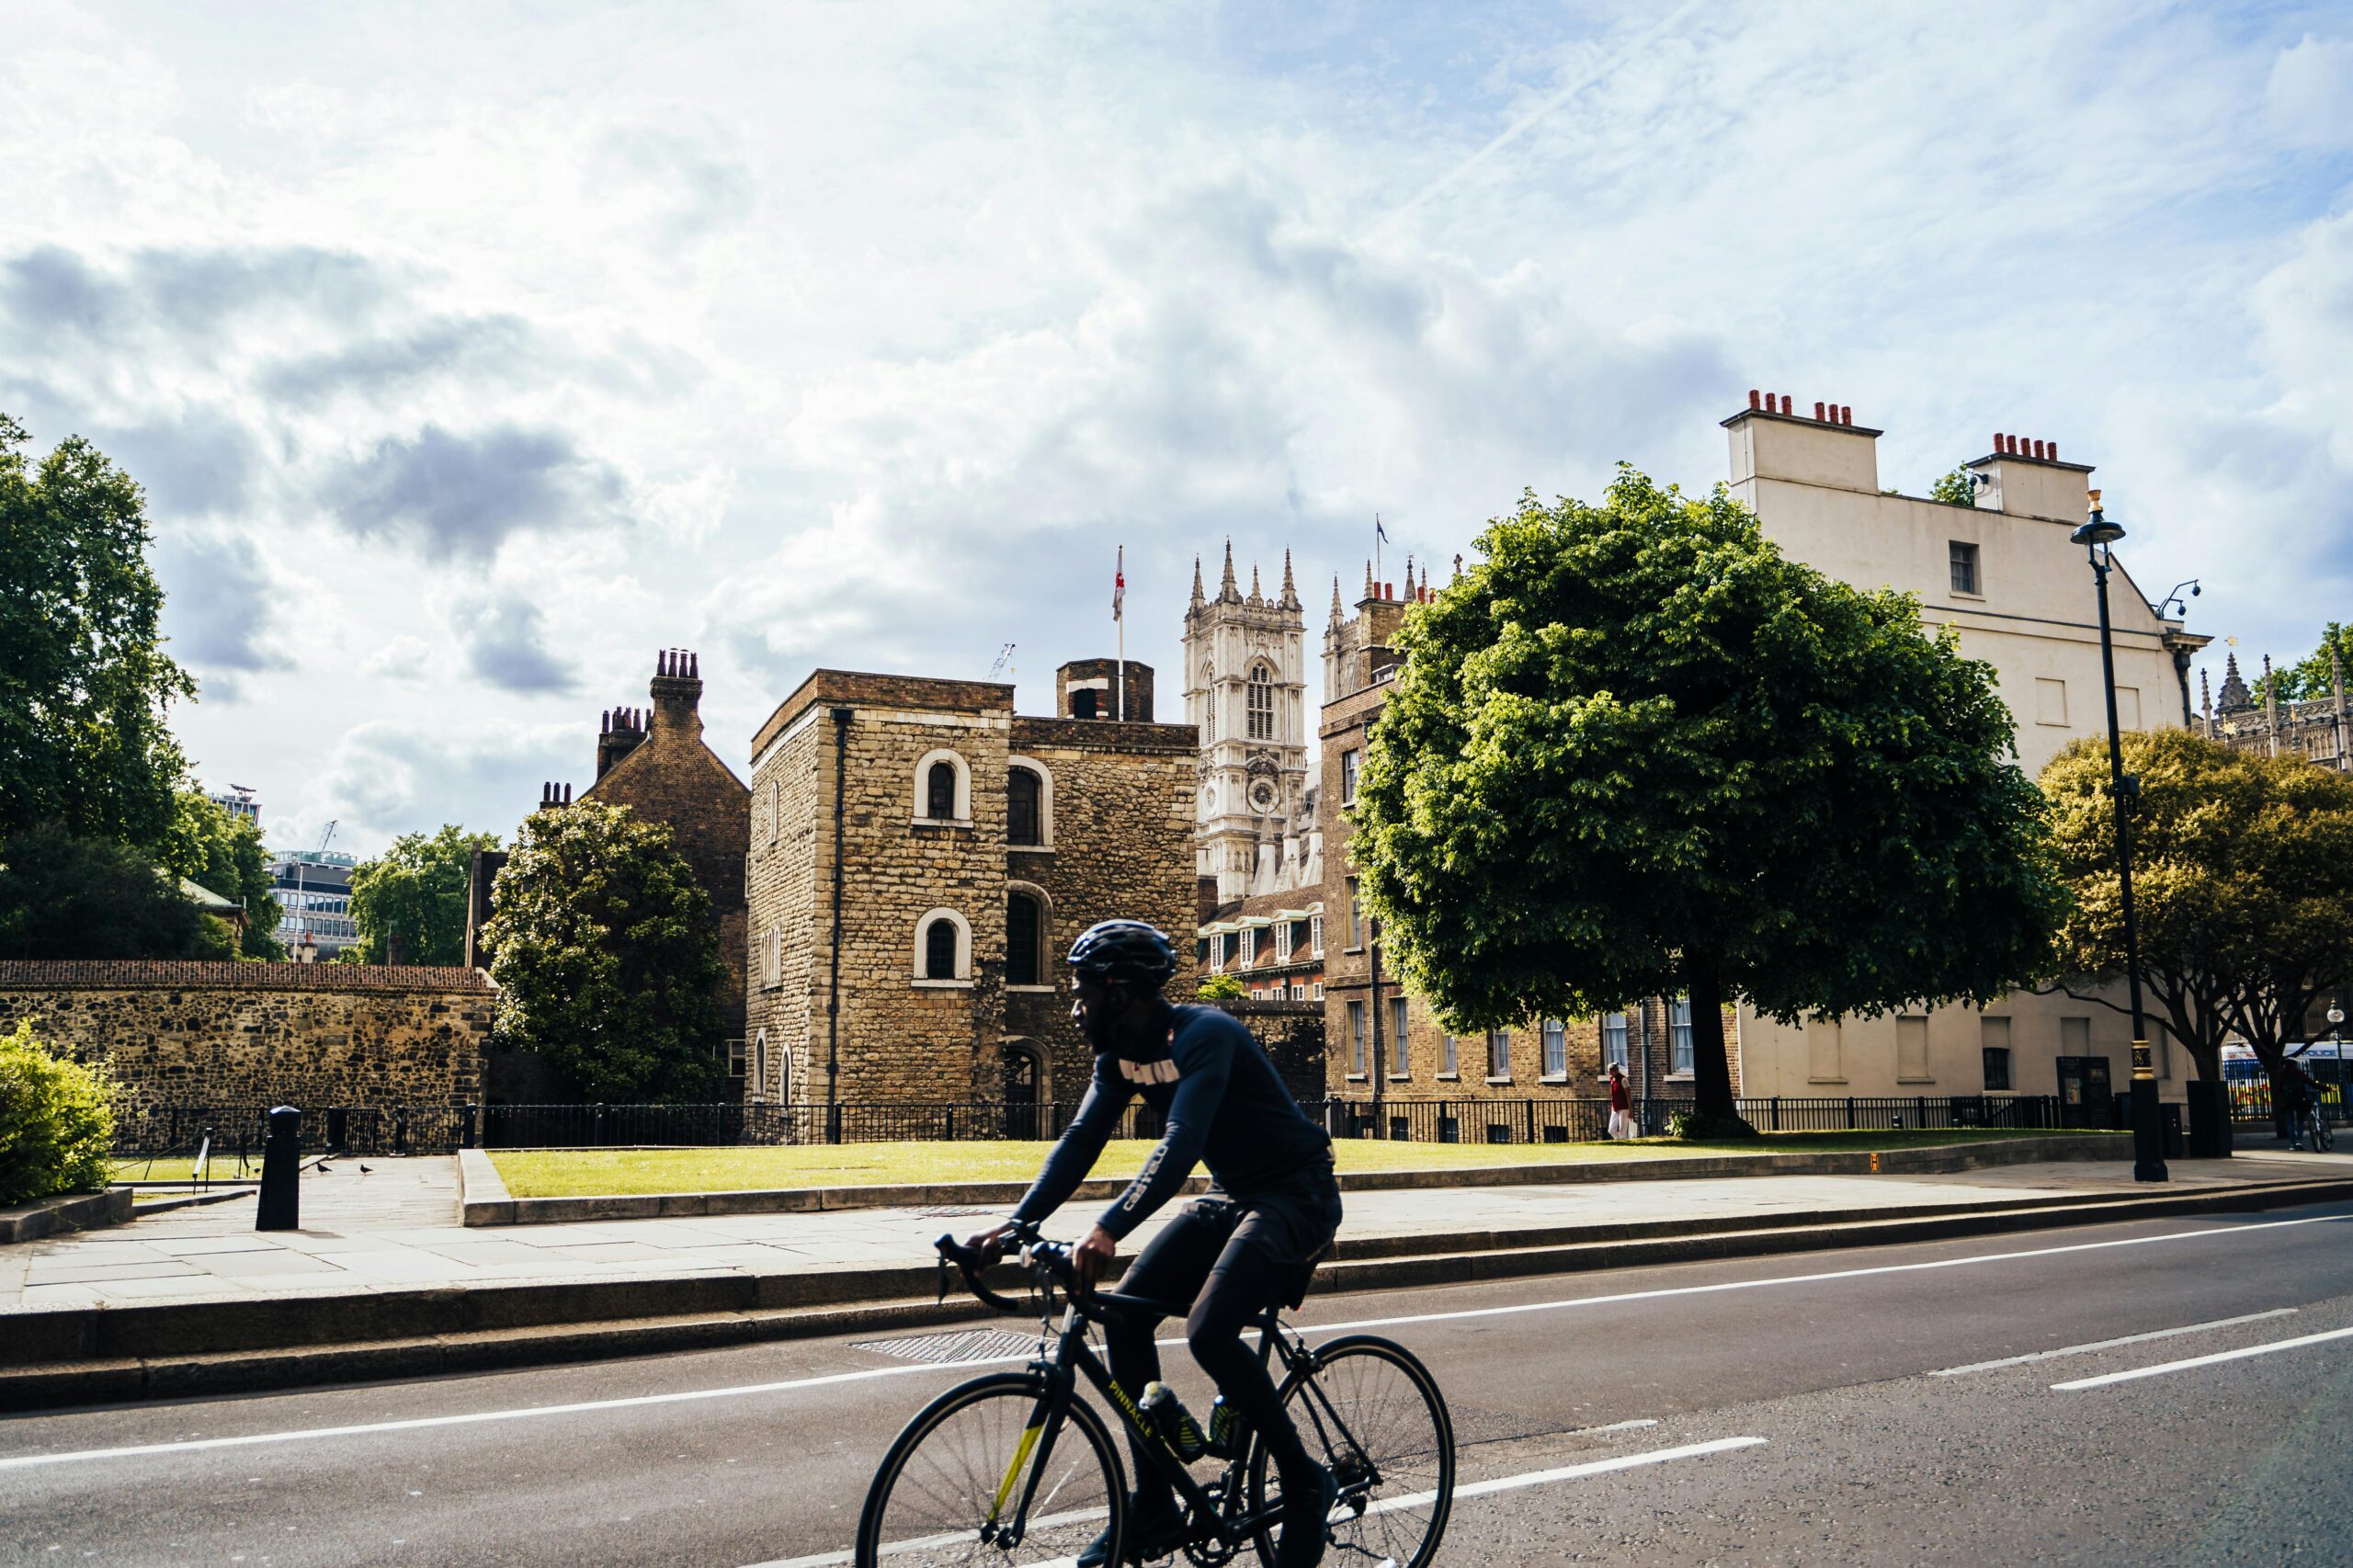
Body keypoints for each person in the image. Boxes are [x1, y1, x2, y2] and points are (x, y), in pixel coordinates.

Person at [964, 919, 1342, 1567]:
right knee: (1125, 1316)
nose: (1075, 1006)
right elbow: (1082, 1139)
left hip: (1294, 1195)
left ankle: (1307, 1481)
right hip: (1232, 1196)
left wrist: (1109, 1228)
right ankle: (1157, 1505)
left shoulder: (1207, 1035)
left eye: (1083, 992)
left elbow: (1181, 1144)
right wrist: (1015, 1224)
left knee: (1209, 1332)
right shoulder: (1117, 1057)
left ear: (1120, 992)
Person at [1606, 1061, 1632, 1141]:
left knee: (1622, 1130)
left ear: (1616, 1070)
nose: (1610, 1074)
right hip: (1615, 1108)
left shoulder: (1623, 1080)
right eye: (1609, 1072)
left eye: (1611, 1072)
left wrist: (1630, 1110)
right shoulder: (1612, 1080)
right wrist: (1612, 1106)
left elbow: (1628, 1096)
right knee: (1611, 1129)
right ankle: (1619, 1140)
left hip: (1624, 1108)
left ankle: (1622, 1143)